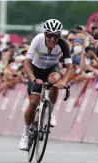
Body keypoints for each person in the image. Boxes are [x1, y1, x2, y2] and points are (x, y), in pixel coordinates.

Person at [19, 19, 73, 151]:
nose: (53, 39)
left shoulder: (63, 44)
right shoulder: (38, 40)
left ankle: (51, 113)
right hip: (36, 71)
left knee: (56, 80)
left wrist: (64, 81)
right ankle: (25, 136)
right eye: (49, 35)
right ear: (45, 34)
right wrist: (32, 78)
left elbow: (69, 66)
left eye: (56, 36)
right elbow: (26, 63)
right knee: (33, 103)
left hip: (51, 69)